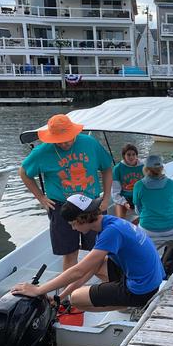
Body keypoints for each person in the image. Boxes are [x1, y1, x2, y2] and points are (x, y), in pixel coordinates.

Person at [11, 194, 166, 311]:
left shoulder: (110, 233)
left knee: (77, 299)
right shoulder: (109, 223)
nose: (73, 228)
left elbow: (78, 271)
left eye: (73, 224)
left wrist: (39, 290)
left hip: (142, 290)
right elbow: (90, 268)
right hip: (150, 278)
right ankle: (122, 298)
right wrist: (60, 297)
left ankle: (135, 305)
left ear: (82, 219)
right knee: (97, 265)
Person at [19, 114, 113, 271]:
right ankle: (70, 292)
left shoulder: (90, 143)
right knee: (70, 253)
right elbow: (23, 173)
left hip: (90, 204)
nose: (65, 143)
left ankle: (104, 286)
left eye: (68, 138)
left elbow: (107, 168)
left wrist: (106, 198)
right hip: (62, 207)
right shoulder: (42, 152)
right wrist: (41, 198)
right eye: (59, 140)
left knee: (98, 250)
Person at [133, 154, 173, 251]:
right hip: (172, 229)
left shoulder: (138, 185)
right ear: (162, 168)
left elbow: (137, 211)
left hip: (148, 230)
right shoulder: (171, 184)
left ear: (145, 168)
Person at [112, 143, 144, 219]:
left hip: (140, 196)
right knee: (119, 219)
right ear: (124, 156)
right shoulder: (117, 169)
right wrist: (124, 202)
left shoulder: (143, 166)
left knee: (145, 217)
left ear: (137, 155)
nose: (131, 157)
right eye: (128, 154)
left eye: (133, 154)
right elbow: (115, 191)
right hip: (124, 197)